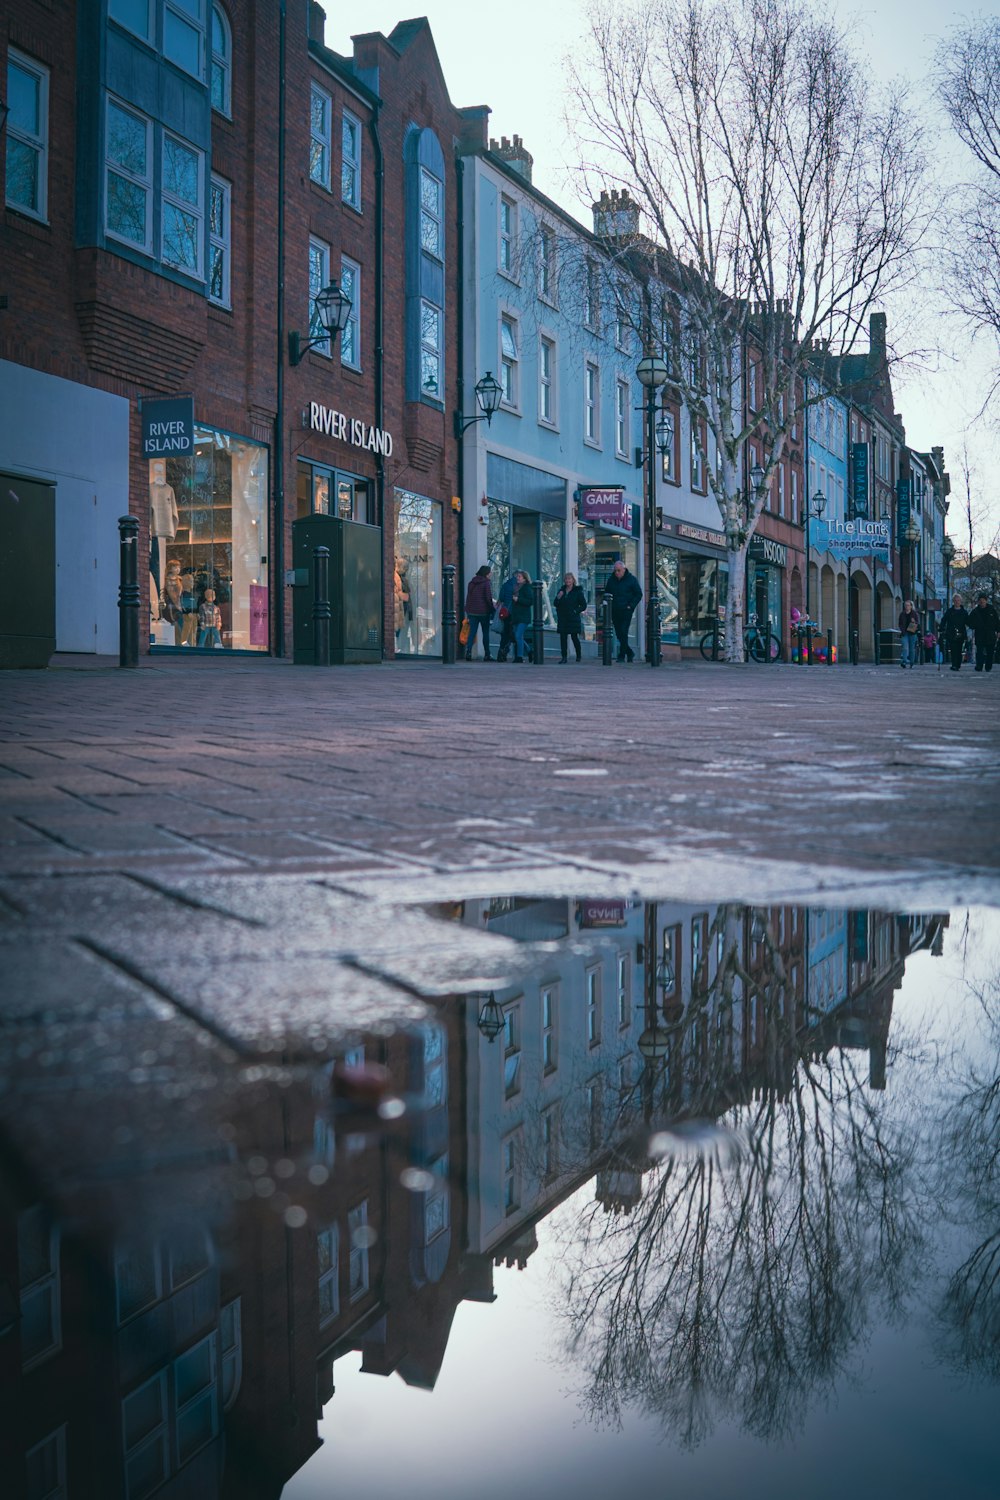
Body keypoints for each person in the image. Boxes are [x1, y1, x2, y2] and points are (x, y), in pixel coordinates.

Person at [604, 559, 642, 662]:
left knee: (623, 631)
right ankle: (630, 653)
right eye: (615, 570)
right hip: (615, 611)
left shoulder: (632, 580)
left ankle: (622, 655)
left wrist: (631, 606)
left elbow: (638, 594)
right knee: (619, 633)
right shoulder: (611, 580)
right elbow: (607, 592)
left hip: (626, 610)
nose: (617, 573)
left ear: (624, 569)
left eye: (619, 570)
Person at [553, 572, 587, 662]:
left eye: (569, 579)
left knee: (574, 637)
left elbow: (583, 605)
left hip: (573, 618)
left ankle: (578, 655)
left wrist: (576, 611)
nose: (568, 580)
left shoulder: (577, 591)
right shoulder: (561, 591)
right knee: (563, 637)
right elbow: (555, 603)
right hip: (563, 617)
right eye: (566, 579)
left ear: (573, 580)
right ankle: (564, 657)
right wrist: (558, 597)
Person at [463, 564, 495, 660]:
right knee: (485, 633)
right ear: (486, 573)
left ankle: (468, 652)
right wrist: (492, 609)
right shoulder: (486, 583)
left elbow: (469, 597)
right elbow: (488, 598)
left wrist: (467, 610)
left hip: (472, 611)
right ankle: (487, 654)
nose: (491, 574)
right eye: (490, 572)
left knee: (472, 632)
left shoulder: (471, 583)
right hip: (484, 612)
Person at [939, 593, 972, 672]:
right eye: (955, 600)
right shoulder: (949, 611)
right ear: (953, 601)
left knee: (959, 650)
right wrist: (941, 628)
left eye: (958, 600)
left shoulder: (964, 612)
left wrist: (973, 625)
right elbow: (944, 620)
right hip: (951, 633)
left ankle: (958, 664)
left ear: (961, 601)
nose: (957, 602)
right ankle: (954, 665)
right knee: (953, 650)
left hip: (960, 633)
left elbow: (968, 622)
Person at [970, 592, 1000, 672]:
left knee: (990, 652)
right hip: (980, 634)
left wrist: (998, 631)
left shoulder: (992, 610)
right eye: (980, 600)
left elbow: (997, 621)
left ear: (986, 601)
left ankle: (988, 666)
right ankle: (979, 666)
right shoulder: (975, 611)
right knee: (979, 652)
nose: (982, 602)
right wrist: (974, 626)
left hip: (990, 634)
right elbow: (970, 622)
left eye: (983, 600)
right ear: (978, 601)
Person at [510, 570, 534, 662]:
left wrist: (518, 599)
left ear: (525, 578)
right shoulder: (516, 587)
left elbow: (530, 601)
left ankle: (519, 657)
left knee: (518, 636)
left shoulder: (527, 587)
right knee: (518, 636)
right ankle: (529, 650)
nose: (517, 578)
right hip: (516, 616)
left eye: (519, 576)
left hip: (524, 616)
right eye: (517, 576)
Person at [495, 573, 517, 661]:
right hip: (514, 613)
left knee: (505, 633)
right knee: (512, 634)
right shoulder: (518, 586)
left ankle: (501, 652)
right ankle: (505, 652)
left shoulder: (505, 585)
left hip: (505, 613)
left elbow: (501, 598)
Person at [898, 598, 920, 668]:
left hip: (912, 633)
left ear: (911, 606)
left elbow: (917, 623)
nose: (906, 606)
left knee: (911, 649)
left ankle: (911, 662)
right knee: (905, 647)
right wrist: (902, 629)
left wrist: (914, 622)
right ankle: (904, 662)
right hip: (905, 633)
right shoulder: (902, 614)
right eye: (905, 605)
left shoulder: (914, 614)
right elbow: (900, 623)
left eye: (908, 605)